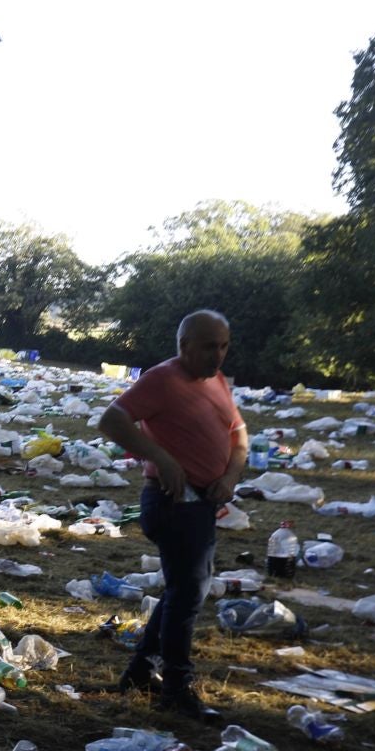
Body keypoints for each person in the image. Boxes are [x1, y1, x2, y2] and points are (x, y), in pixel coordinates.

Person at [96, 309, 249, 721]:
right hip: (172, 503)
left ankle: (141, 670)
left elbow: (239, 436)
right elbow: (111, 420)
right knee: (189, 595)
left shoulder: (215, 380)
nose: (217, 356)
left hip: (203, 503)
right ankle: (177, 685)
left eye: (223, 346)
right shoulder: (163, 379)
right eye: (207, 347)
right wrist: (161, 457)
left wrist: (231, 477)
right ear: (184, 346)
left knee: (181, 590)